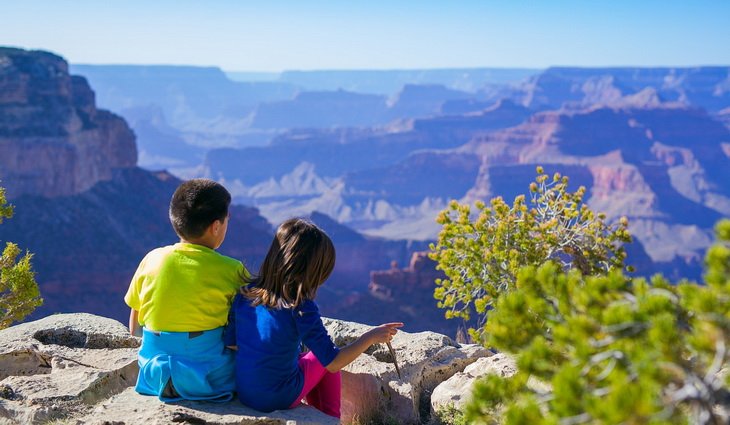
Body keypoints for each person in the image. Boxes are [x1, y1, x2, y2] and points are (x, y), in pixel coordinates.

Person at [225, 218, 403, 418]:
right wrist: (371, 337)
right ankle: (330, 418)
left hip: (246, 393)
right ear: (312, 269)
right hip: (278, 397)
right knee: (323, 357)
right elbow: (333, 362)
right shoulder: (300, 306)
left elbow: (232, 344)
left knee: (308, 358)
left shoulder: (245, 293)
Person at [124, 178, 247, 402]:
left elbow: (135, 327)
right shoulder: (233, 270)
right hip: (210, 378)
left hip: (154, 375)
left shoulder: (152, 259)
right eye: (227, 219)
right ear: (216, 226)